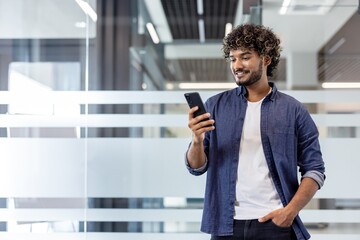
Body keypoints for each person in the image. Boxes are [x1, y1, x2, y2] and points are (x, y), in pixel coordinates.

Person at [185, 24, 325, 240]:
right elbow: (196, 167)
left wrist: (289, 212)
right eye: (232, 59)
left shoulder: (293, 110)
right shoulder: (215, 106)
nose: (237, 65)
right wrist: (197, 139)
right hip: (226, 225)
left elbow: (315, 169)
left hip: (275, 224)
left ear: (266, 59)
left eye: (245, 57)